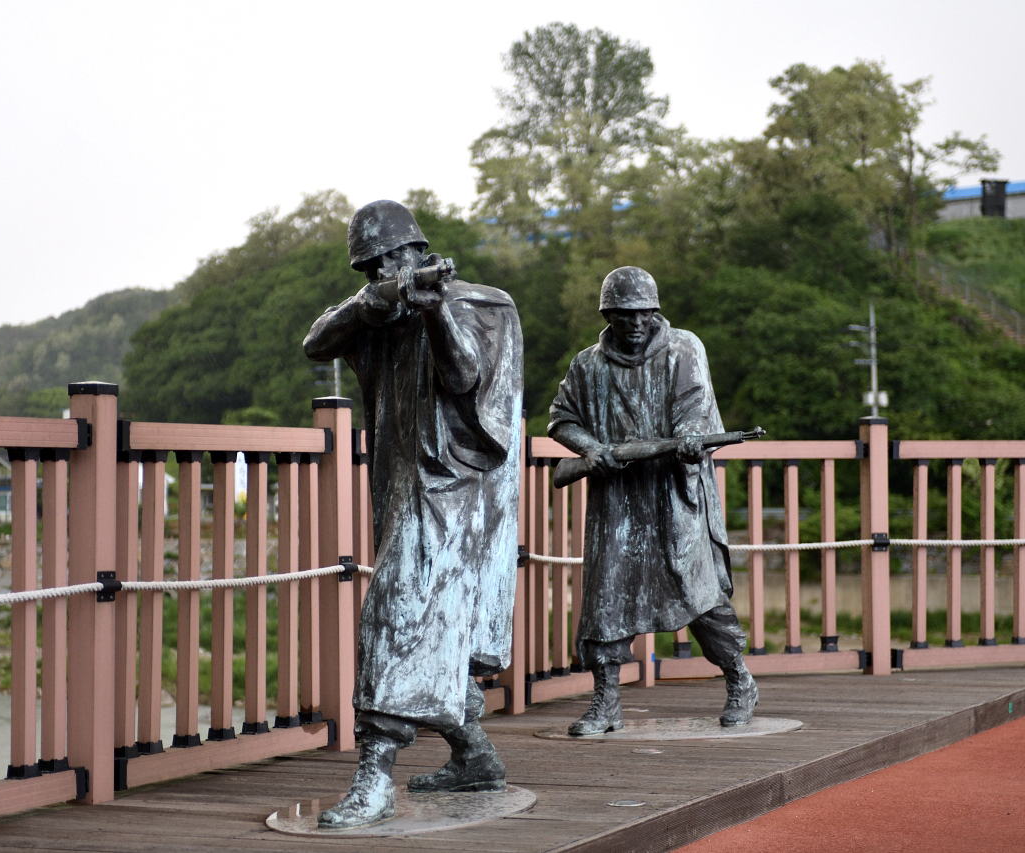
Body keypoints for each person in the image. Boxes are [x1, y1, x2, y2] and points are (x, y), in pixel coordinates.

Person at [304, 200, 523, 828]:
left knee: (396, 614)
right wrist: (373, 302)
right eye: (369, 266)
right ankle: (474, 754)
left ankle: (375, 775)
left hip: (458, 493)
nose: (381, 270)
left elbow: (466, 381)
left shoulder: (484, 304)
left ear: (419, 253)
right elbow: (315, 342)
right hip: (405, 491)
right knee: (433, 623)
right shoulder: (375, 312)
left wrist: (433, 314)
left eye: (391, 259)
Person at [548, 266, 758, 736]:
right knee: (605, 596)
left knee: (698, 591)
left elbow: (694, 406)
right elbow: (561, 419)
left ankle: (739, 680)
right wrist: (591, 450)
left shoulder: (685, 347)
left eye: (644, 313)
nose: (636, 323)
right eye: (625, 315)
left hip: (674, 493)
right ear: (608, 315)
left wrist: (686, 441)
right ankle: (606, 701)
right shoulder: (587, 365)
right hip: (617, 500)